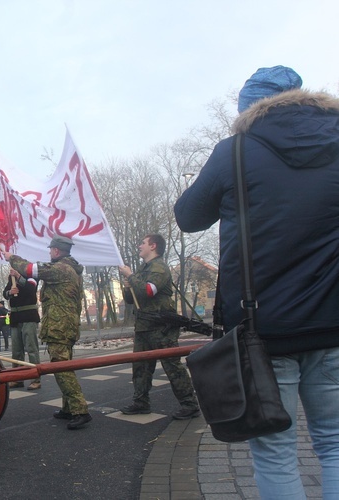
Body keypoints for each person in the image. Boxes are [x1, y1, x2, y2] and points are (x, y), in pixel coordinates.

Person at [175, 65, 339, 499]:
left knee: (275, 453)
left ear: (249, 108)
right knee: (335, 444)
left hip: (262, 331)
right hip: (334, 323)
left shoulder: (234, 152)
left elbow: (188, 217)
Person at [5, 235, 91, 430]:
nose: (49, 252)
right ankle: (68, 408)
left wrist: (12, 257)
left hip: (60, 327)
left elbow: (31, 269)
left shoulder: (61, 269)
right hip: (64, 325)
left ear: (57, 251)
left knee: (61, 368)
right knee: (64, 366)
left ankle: (80, 410)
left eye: (51, 249)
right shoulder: (69, 268)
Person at [118, 234, 200, 419]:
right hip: (144, 326)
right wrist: (127, 286)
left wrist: (131, 276)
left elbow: (148, 291)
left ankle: (190, 404)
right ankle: (141, 403)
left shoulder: (159, 268)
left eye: (142, 242)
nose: (139, 246)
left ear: (153, 246)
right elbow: (132, 299)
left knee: (172, 366)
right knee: (140, 367)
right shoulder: (142, 269)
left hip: (161, 327)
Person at [4, 268, 41, 390]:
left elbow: (31, 289)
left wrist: (19, 276)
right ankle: (17, 378)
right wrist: (10, 292)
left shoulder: (32, 275)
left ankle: (36, 378)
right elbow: (5, 293)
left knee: (31, 349)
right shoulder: (12, 277)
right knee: (16, 351)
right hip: (15, 317)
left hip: (29, 316)